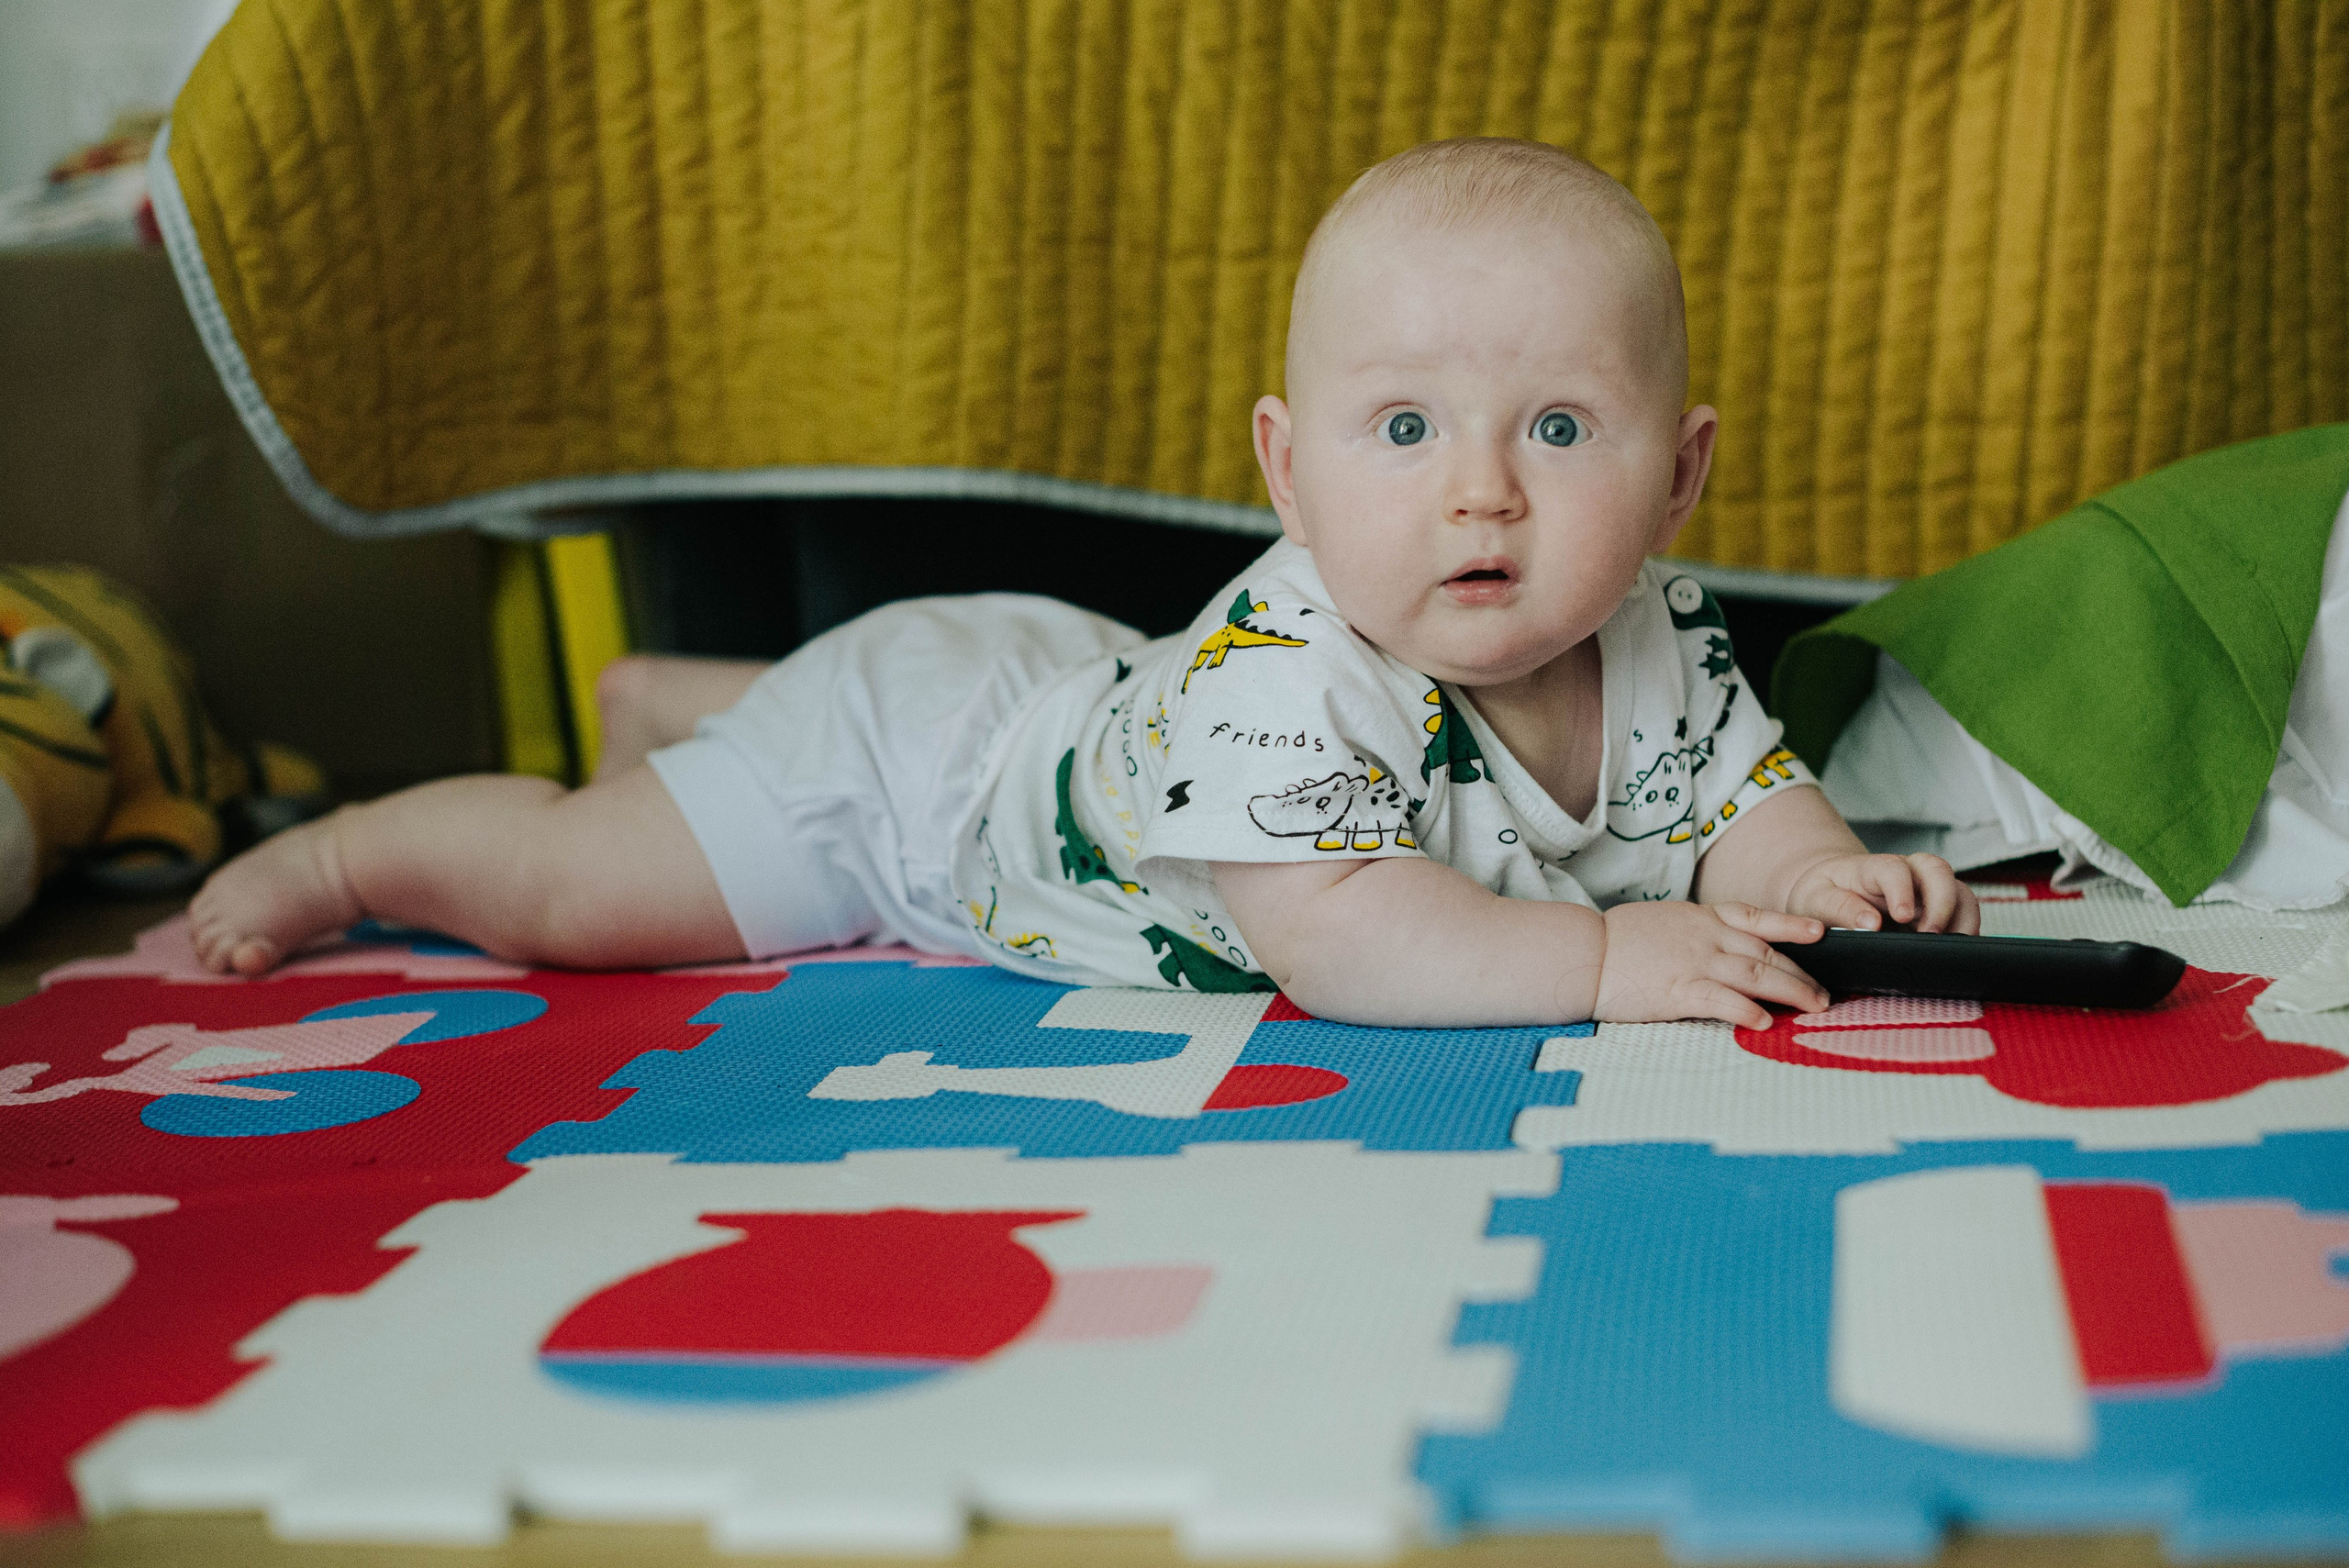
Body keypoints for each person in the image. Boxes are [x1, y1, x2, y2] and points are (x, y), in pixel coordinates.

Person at [188, 138, 1977, 1028]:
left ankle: (680, 699)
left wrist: (1817, 874)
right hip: (913, 790)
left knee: (920, 718)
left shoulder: (1658, 634)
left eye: (1562, 428)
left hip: (1072, 691)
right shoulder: (1287, 673)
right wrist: (1598, 959)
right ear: (1286, 471)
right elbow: (1343, 934)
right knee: (579, 894)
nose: (1480, 488)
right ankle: (359, 851)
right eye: (1405, 425)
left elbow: (1733, 793)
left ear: (1679, 480)